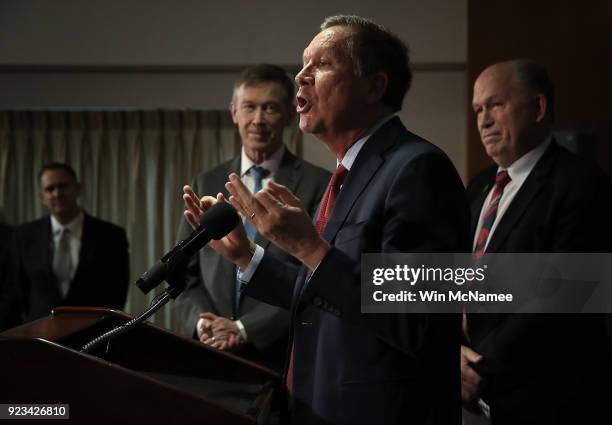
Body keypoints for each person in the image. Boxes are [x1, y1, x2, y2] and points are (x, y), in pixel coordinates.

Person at [183, 15, 469, 425]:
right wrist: (247, 258)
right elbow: (324, 293)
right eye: (302, 64)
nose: (300, 77)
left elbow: (416, 317)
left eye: (321, 65)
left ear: (374, 86)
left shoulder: (418, 169)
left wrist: (309, 248)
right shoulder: (348, 175)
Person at [462, 60, 612, 424]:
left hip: (549, 399)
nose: (483, 121)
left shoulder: (581, 183)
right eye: (478, 110)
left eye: (496, 105)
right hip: (478, 395)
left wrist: (479, 365)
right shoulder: (479, 186)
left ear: (538, 108)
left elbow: (564, 295)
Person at [174, 64, 330, 370]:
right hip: (210, 355)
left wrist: (245, 329)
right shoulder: (207, 181)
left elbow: (315, 279)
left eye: (270, 108)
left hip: (282, 356)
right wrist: (201, 322)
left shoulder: (318, 185)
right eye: (250, 107)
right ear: (234, 112)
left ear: (288, 114)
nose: (258, 119)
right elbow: (184, 271)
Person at [12, 162, 129, 322]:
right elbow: (19, 292)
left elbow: (117, 292)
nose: (57, 193)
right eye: (50, 189)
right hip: (40, 335)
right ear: (42, 197)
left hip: (92, 333)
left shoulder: (111, 236)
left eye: (63, 186)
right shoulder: (24, 236)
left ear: (78, 189)